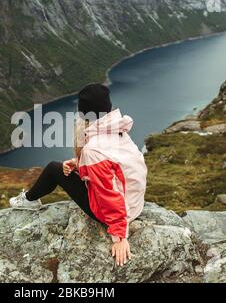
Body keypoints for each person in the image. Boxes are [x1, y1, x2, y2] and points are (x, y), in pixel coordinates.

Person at [9, 84, 147, 266]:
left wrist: (120, 236)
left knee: (53, 168)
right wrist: (79, 165)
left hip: (120, 212)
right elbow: (116, 166)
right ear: (108, 106)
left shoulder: (93, 149)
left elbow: (108, 194)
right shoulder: (117, 127)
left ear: (83, 113)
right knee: (62, 167)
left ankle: (28, 200)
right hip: (135, 202)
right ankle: (30, 198)